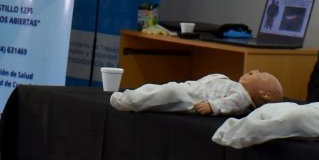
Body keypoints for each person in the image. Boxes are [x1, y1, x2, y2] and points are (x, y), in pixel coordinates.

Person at [110, 70, 282, 116]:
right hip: (192, 88)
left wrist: (212, 106)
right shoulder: (235, 85)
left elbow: (230, 104)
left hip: (196, 98)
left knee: (168, 93)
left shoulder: (243, 97)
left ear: (265, 94)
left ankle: (131, 101)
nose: (254, 71)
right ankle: (131, 96)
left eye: (260, 75)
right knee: (159, 89)